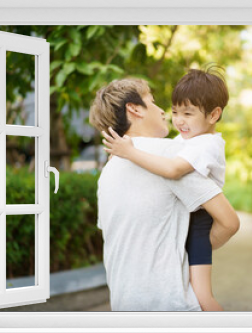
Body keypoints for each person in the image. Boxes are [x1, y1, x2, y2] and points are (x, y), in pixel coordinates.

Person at [89, 77, 239, 311]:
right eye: (153, 101)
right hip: (171, 305)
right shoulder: (170, 152)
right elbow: (229, 222)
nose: (163, 112)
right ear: (134, 108)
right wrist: (193, 251)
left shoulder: (108, 170)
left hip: (123, 306)